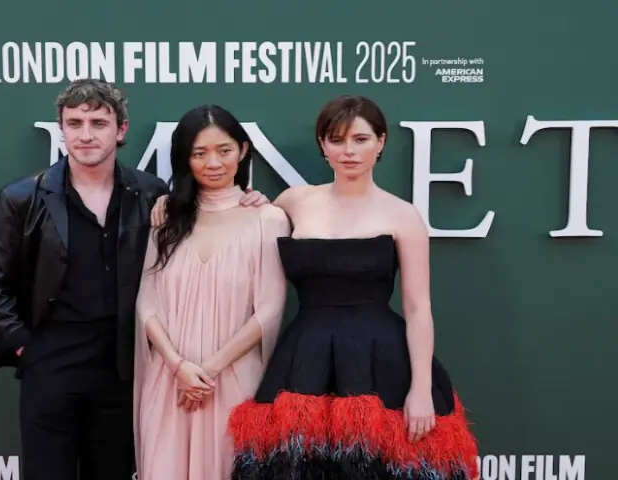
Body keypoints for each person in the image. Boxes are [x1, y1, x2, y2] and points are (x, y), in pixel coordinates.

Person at [151, 95, 480, 479]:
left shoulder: (403, 215)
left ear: (381, 142)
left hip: (381, 361)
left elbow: (418, 308)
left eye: (360, 139)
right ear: (323, 145)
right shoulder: (293, 202)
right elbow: (232, 222)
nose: (349, 151)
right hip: (305, 358)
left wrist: (420, 388)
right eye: (337, 140)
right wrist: (170, 206)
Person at [0, 79, 269, 480]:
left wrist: (253, 199)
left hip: (125, 368)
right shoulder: (22, 197)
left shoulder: (150, 195)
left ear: (121, 129)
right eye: (74, 123)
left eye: (98, 122)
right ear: (61, 128)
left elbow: (209, 216)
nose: (86, 134)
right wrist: (27, 349)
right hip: (51, 363)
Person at [133, 105, 291, 480]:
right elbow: (146, 302)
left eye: (223, 150)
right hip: (169, 381)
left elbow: (269, 310)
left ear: (243, 150)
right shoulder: (165, 219)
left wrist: (207, 372)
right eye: (199, 153)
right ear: (185, 160)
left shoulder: (268, 219)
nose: (213, 162)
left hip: (234, 381)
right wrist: (178, 366)